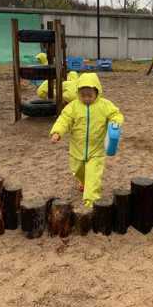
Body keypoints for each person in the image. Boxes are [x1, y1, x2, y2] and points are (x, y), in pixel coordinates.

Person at [50, 73, 124, 208]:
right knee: (78, 170)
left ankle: (91, 202)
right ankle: (83, 182)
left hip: (97, 149)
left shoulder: (105, 105)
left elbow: (116, 114)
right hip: (77, 149)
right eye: (83, 95)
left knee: (93, 175)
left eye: (90, 95)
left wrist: (115, 123)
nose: (86, 98)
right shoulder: (73, 106)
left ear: (97, 92)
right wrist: (57, 132)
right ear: (78, 93)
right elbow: (64, 119)